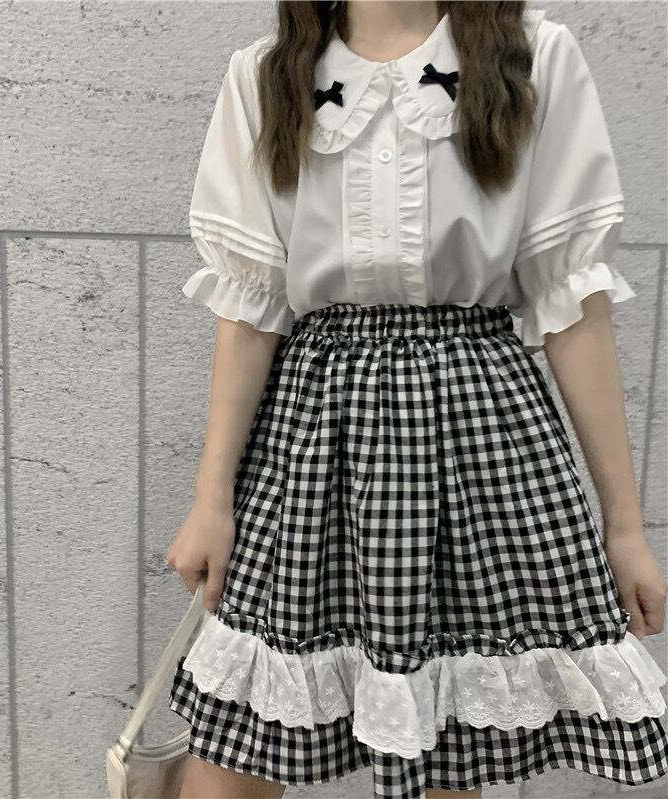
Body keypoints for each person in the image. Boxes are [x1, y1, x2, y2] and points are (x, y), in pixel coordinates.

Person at [164, 2, 668, 797]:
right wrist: (211, 500)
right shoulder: (266, 75)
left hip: (478, 435)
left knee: (449, 735)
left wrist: (625, 526)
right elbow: (250, 309)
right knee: (243, 731)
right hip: (313, 435)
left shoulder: (532, 57)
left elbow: (571, 301)